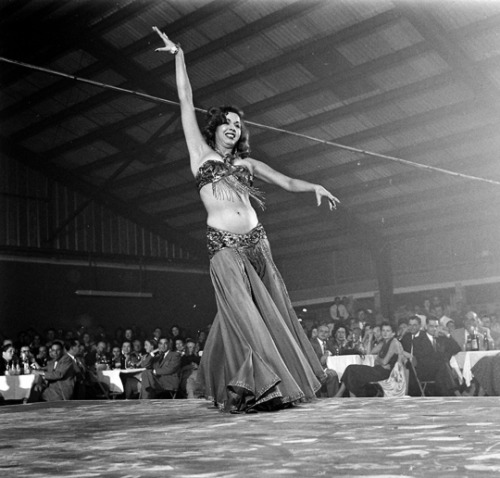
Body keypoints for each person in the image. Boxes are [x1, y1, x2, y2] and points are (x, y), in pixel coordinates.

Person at [152, 27, 340, 413]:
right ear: (216, 126)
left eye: (238, 125)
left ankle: (248, 383)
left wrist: (313, 187)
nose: (234, 128)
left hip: (257, 244)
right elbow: (185, 100)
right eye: (228, 123)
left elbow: (286, 180)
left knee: (268, 314)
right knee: (245, 315)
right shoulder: (199, 155)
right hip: (223, 246)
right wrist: (179, 56)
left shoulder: (248, 163)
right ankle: (262, 386)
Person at [335, 322, 402, 397]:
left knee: (351, 369)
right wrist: (370, 339)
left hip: (385, 373)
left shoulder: (394, 342)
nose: (384, 333)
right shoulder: (384, 342)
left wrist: (377, 359)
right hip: (378, 369)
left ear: (393, 333)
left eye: (388, 331)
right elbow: (370, 353)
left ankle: (342, 394)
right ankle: (349, 396)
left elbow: (384, 361)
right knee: (350, 369)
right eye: (383, 330)